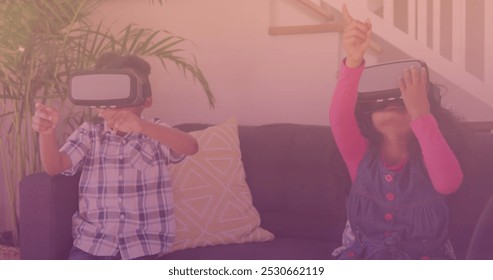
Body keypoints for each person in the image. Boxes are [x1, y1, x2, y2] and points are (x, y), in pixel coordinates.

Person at [31, 52, 198, 260]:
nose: (114, 104)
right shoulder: (89, 133)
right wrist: (47, 134)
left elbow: (190, 147)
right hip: (93, 244)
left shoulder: (156, 133)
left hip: (144, 247)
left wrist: (143, 126)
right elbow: (55, 166)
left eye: (122, 95)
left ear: (146, 101)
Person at [329, 5, 464, 259]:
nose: (391, 104)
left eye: (401, 102)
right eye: (382, 103)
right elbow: (339, 118)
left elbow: (448, 183)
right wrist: (354, 60)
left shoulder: (427, 158)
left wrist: (421, 113)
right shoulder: (359, 157)